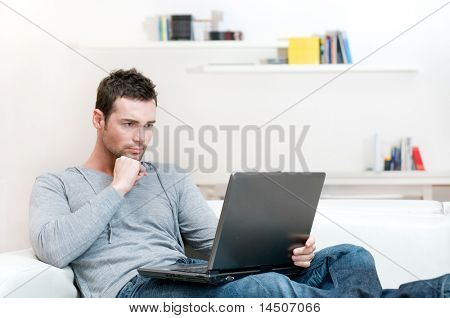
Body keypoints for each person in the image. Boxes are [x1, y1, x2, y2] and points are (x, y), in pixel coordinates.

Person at [29, 68, 449, 298]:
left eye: (149, 126)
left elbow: (218, 246)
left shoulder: (169, 178)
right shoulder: (56, 184)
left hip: (190, 276)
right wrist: (117, 187)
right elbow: (52, 248)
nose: (141, 139)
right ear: (98, 119)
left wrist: (282, 250)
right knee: (265, 289)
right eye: (129, 125)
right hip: (135, 289)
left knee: (349, 259)